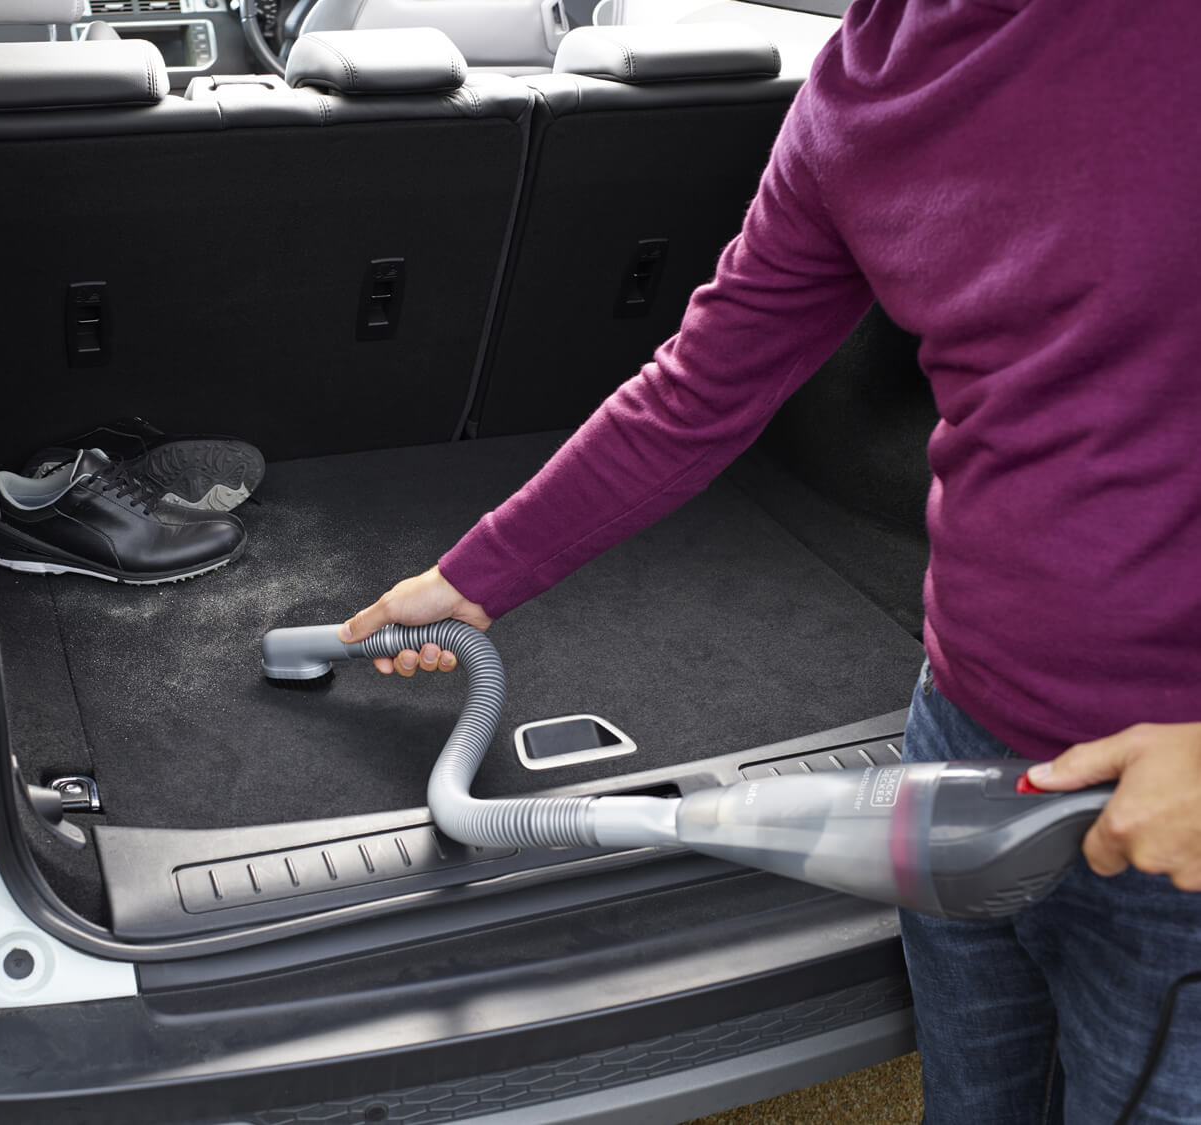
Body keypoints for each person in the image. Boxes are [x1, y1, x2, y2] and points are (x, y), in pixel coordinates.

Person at [337, 0, 1201, 1121]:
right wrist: (472, 579)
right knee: (972, 1096)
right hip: (963, 730)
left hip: (1171, 797)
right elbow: (699, 389)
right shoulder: (863, 83)